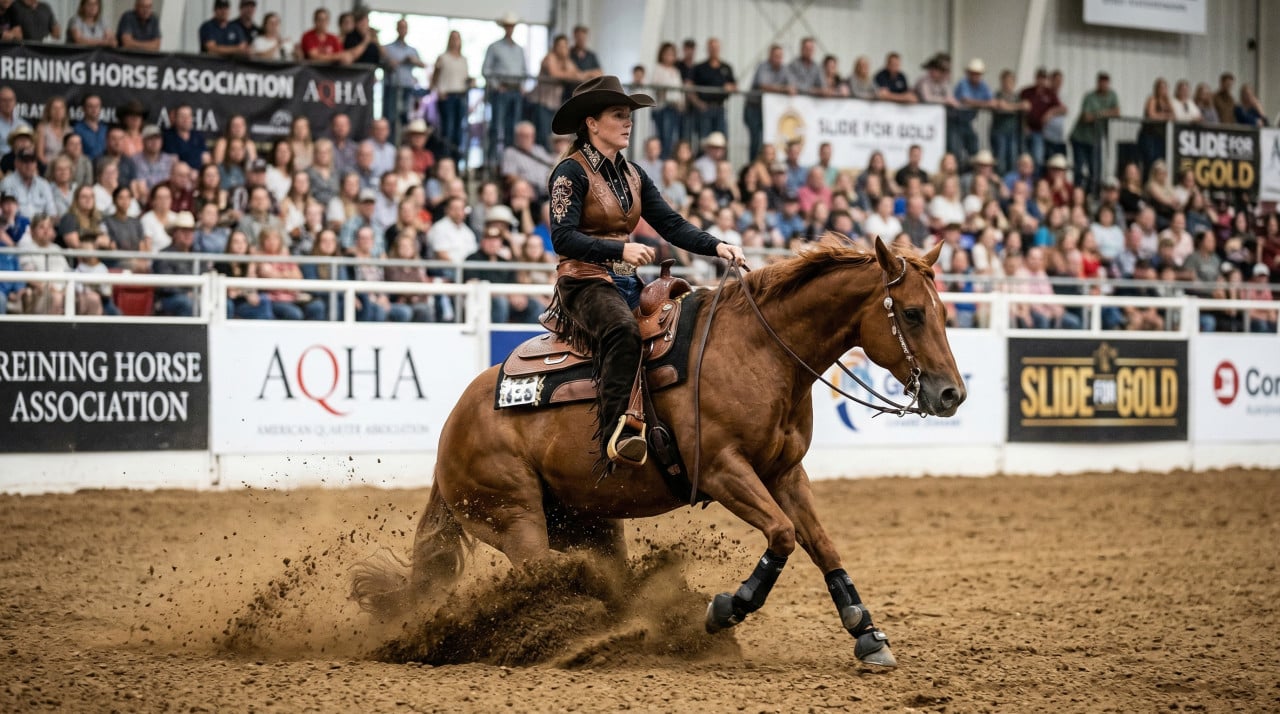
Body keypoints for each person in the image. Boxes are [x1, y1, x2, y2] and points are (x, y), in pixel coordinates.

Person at [545, 76, 744, 467]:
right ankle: (617, 436)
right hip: (583, 281)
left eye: (629, 116)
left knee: (685, 323)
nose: (628, 122)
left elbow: (671, 223)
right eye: (619, 115)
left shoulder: (633, 173)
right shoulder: (570, 172)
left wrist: (716, 246)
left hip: (623, 280)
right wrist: (619, 248)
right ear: (592, 123)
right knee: (621, 330)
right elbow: (562, 238)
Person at [482, 12, 528, 167]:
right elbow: (486, 70)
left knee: (512, 128)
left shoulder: (519, 49)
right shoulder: (494, 47)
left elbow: (523, 70)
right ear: (504, 27)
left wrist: (522, 86)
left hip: (515, 91)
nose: (510, 29)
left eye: (512, 26)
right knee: (496, 127)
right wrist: (496, 85)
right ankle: (491, 160)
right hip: (501, 92)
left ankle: (508, 162)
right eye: (508, 26)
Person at [1069, 71, 1119, 193]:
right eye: (1101, 82)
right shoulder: (1090, 97)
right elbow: (1086, 117)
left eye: (1106, 83)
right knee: (1079, 169)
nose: (1104, 85)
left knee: (1095, 170)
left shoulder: (1112, 95)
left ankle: (1092, 194)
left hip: (1095, 139)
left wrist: (1097, 114)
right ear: (1098, 83)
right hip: (1080, 138)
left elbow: (1117, 112)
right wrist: (1104, 113)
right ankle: (1077, 192)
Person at [745, 44, 791, 165]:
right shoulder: (763, 66)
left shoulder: (784, 69)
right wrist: (783, 89)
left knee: (769, 139)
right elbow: (763, 85)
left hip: (770, 111)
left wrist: (788, 88)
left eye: (780, 56)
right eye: (776, 56)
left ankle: (767, 164)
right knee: (756, 139)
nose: (778, 58)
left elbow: (792, 85)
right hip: (754, 108)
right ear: (770, 56)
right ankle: (753, 165)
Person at [431, 30, 470, 163]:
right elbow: (435, 77)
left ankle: (456, 160)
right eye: (453, 38)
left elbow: (464, 78)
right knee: (447, 129)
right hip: (447, 97)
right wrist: (438, 90)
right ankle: (445, 158)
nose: (455, 41)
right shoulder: (443, 57)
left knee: (458, 130)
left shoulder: (463, 60)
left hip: (460, 96)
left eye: (457, 38)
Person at [382, 16, 425, 133]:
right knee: (390, 116)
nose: (402, 30)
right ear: (397, 29)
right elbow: (382, 63)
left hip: (407, 87)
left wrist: (413, 60)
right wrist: (390, 63)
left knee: (405, 117)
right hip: (392, 86)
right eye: (400, 27)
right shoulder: (387, 48)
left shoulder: (412, 50)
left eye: (404, 27)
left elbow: (423, 64)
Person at [690, 38, 737, 139]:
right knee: (705, 139)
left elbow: (735, 86)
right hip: (704, 109)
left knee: (721, 138)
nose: (714, 50)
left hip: (720, 108)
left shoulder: (726, 67)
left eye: (716, 48)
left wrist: (730, 87)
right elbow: (690, 87)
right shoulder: (699, 67)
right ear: (708, 49)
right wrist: (698, 103)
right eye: (711, 48)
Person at [952, 58, 993, 168]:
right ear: (969, 74)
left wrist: (976, 103)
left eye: (978, 74)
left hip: (967, 122)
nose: (976, 76)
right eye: (974, 74)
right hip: (955, 121)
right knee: (956, 149)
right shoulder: (963, 83)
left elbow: (991, 102)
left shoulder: (982, 85)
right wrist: (982, 104)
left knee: (974, 147)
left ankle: (973, 169)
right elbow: (965, 100)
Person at [161, 105, 209, 170]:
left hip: (199, 175)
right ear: (175, 118)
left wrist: (202, 174)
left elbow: (206, 158)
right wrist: (190, 173)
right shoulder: (169, 137)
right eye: (182, 116)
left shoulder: (198, 135)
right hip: (181, 176)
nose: (186, 119)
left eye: (189, 116)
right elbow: (173, 163)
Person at [34, 96, 69, 167]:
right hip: (46, 167)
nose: (58, 111)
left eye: (61, 108)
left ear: (65, 111)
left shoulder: (69, 131)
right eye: (55, 108)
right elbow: (39, 155)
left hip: (65, 168)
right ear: (49, 111)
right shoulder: (42, 128)